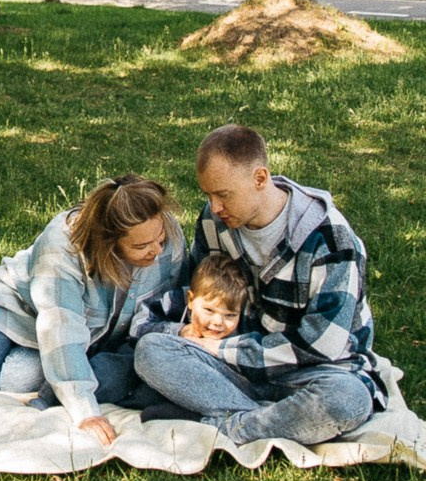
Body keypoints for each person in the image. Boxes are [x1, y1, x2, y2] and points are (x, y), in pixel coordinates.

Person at [0, 174, 184, 444]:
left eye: (159, 239)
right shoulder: (62, 247)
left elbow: (170, 302)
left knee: (23, 379)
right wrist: (85, 412)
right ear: (107, 242)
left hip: (58, 338)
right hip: (10, 307)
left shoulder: (164, 234)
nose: (157, 251)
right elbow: (60, 328)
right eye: (142, 246)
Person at [131, 124, 384, 446]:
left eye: (223, 194)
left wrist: (219, 349)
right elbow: (198, 297)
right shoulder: (214, 221)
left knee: (347, 400)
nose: (215, 207)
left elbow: (324, 346)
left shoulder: (331, 239)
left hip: (312, 371)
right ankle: (263, 418)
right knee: (151, 351)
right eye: (208, 195)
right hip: (234, 365)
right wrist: (181, 334)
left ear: (260, 179)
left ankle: (224, 422)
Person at [137, 253, 253, 343]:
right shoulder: (175, 301)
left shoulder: (245, 324)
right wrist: (179, 331)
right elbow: (138, 327)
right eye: (209, 310)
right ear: (191, 300)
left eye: (230, 315)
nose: (218, 322)